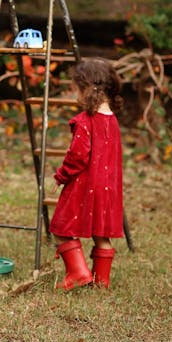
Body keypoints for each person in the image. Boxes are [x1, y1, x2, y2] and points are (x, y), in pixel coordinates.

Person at [50, 58, 124, 290]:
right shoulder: (112, 120)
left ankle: (78, 273)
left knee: (60, 228)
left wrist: (61, 176)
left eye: (76, 89)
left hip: (85, 186)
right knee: (101, 234)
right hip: (108, 189)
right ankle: (101, 283)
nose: (75, 94)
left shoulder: (85, 121)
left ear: (86, 89)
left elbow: (78, 156)